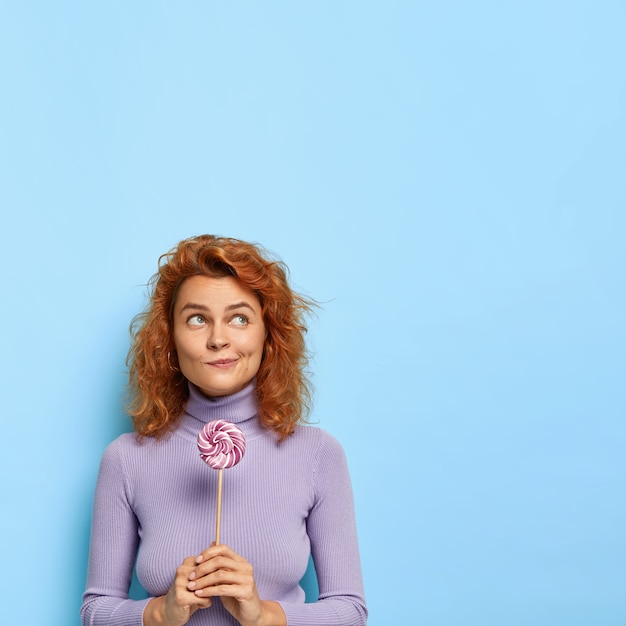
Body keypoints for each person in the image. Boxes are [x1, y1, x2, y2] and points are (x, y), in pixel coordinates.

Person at [81, 235, 367, 626]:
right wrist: (160, 614)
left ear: (268, 336)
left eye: (239, 318)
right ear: (169, 338)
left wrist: (263, 615)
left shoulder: (318, 454)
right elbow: (95, 610)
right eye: (197, 318)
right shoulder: (126, 458)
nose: (218, 339)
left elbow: (350, 611)